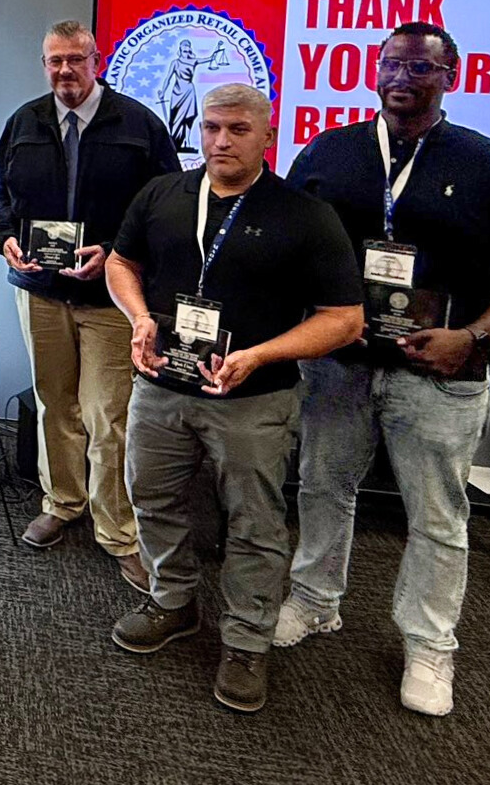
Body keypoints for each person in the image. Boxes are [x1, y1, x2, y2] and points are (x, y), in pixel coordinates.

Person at [275, 22, 490, 717]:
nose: (404, 78)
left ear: (451, 77)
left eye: (422, 68)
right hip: (340, 364)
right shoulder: (329, 152)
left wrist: (472, 334)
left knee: (436, 515)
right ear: (374, 72)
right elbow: (290, 248)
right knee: (321, 486)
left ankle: (430, 644)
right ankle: (315, 600)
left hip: (440, 370)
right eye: (393, 65)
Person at [104, 83, 363, 713]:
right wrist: (138, 317)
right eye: (213, 127)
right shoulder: (163, 194)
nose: (222, 140)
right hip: (162, 387)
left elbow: (345, 319)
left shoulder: (304, 215)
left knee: (254, 521)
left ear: (268, 136)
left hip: (252, 398)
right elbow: (120, 263)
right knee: (153, 496)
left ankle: (247, 639)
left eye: (238, 130)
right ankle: (173, 599)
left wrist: (259, 355)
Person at [0, 19, 179, 591]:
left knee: (106, 415)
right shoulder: (25, 121)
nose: (65, 71)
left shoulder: (139, 124)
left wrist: (118, 252)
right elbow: (0, 194)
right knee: (54, 405)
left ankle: (118, 530)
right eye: (54, 61)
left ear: (98, 60)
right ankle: (62, 501)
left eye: (76, 59)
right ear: (44, 64)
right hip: (42, 293)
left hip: (108, 299)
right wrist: (6, 239)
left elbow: (166, 205)